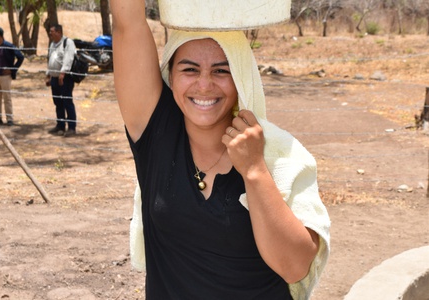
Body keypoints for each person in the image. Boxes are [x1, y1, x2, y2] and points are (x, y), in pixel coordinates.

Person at [110, 0, 330, 299]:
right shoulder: (156, 132)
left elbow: (294, 267)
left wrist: (254, 170)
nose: (204, 85)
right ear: (170, 76)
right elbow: (127, 22)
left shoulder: (280, 155)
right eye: (189, 69)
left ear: (240, 78)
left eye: (221, 71)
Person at [0, 26, 24, 126]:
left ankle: (9, 118)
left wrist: (13, 69)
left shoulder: (8, 46)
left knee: (7, 97)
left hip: (5, 76)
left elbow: (20, 57)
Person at [46, 24, 77, 137]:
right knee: (58, 102)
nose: (50, 34)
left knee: (67, 102)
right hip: (54, 78)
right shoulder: (52, 44)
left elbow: (68, 59)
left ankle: (72, 128)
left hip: (65, 78)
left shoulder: (68, 43)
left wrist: (62, 73)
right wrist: (48, 75)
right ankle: (60, 125)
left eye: (52, 31)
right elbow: (50, 59)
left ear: (59, 32)